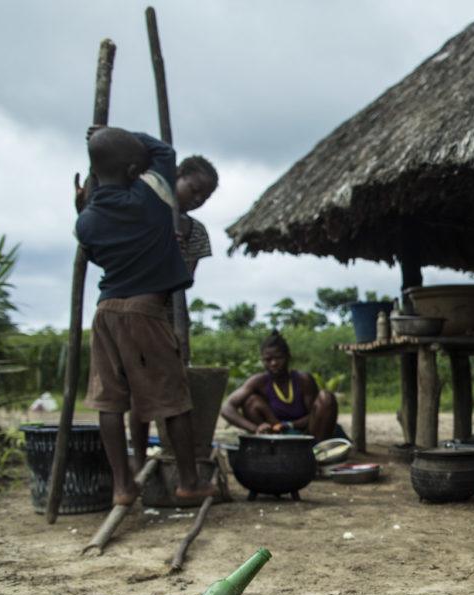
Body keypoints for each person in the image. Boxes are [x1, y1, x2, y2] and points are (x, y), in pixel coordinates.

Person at [74, 126, 218, 504]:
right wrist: (113, 132)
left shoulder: (85, 221)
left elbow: (93, 252)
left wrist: (103, 144)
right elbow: (164, 151)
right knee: (173, 398)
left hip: (105, 312)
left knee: (109, 401)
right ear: (133, 170)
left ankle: (123, 486)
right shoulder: (151, 196)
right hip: (146, 312)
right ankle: (189, 481)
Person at [129, 153, 219, 469]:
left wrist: (177, 257)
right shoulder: (146, 212)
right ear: (176, 178)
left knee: (173, 393)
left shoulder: (195, 232)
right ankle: (138, 462)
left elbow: (186, 281)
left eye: (204, 197)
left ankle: (179, 463)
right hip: (139, 313)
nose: (197, 200)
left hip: (171, 320)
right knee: (139, 395)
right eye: (193, 190)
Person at [220, 330, 339, 441]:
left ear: (288, 357)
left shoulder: (303, 380)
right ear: (262, 361)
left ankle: (317, 450)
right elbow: (227, 407)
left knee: (326, 397)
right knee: (251, 401)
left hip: (308, 433)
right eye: (268, 359)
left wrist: (290, 425)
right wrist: (255, 428)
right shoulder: (259, 381)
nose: (273, 363)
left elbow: (315, 415)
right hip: (275, 434)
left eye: (278, 358)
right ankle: (268, 444)